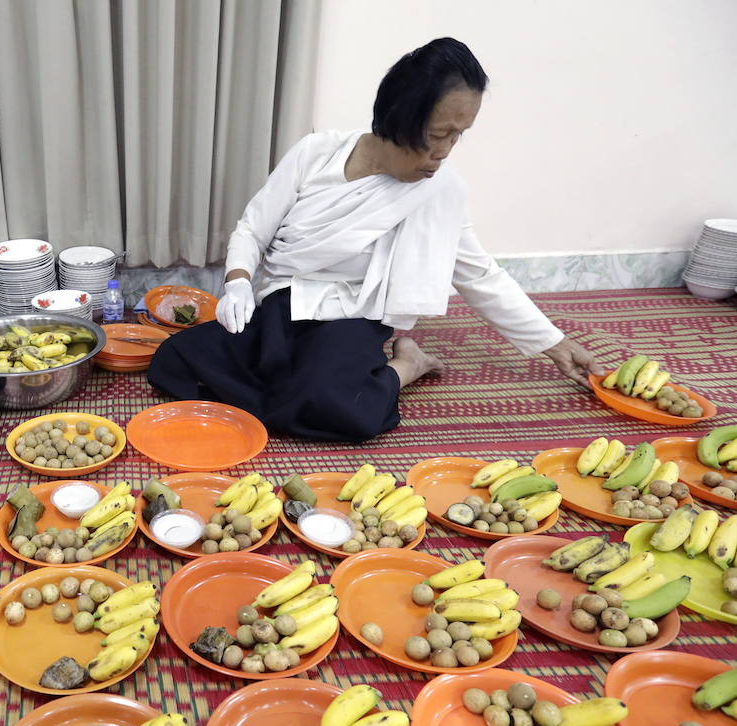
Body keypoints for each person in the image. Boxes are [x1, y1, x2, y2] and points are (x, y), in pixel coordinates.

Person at [148, 38, 599, 441]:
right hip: (285, 300)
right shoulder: (316, 153)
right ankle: (314, 383)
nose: (444, 152)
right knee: (175, 360)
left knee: (345, 409)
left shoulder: (439, 192)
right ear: (399, 119)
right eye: (437, 135)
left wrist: (555, 345)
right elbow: (253, 227)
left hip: (353, 312)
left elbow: (481, 274)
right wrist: (239, 283)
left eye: (458, 137)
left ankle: (408, 365)